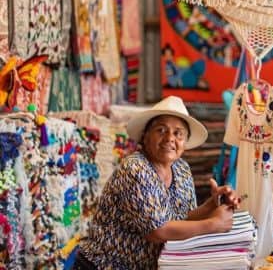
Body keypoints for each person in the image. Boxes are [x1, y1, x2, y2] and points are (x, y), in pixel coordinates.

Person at [73, 96, 241, 269]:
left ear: (185, 142)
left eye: (178, 133)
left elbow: (181, 218)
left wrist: (211, 205)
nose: (170, 138)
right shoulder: (135, 168)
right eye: (161, 130)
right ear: (145, 137)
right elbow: (157, 231)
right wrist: (213, 224)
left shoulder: (181, 169)